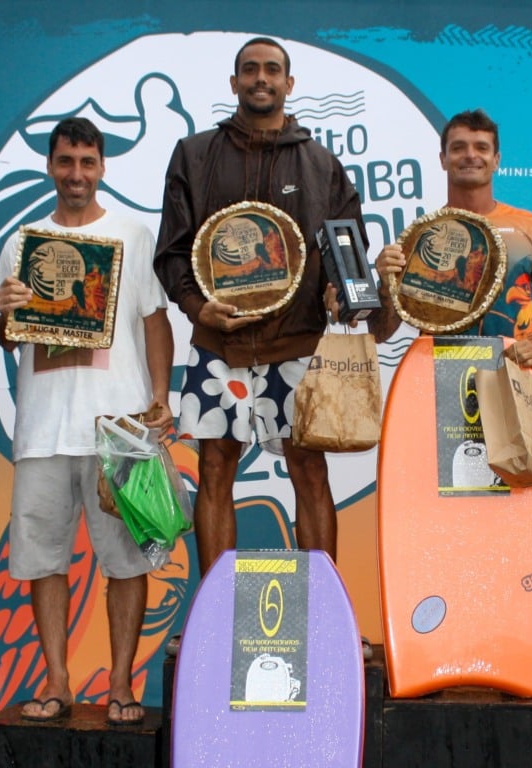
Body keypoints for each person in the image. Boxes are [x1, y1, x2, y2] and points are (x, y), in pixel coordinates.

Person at [153, 36, 366, 576]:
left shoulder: (322, 165)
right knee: (215, 467)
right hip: (218, 342)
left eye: (273, 70)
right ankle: (215, 609)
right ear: (234, 83)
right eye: (250, 69)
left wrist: (347, 295)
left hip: (296, 343)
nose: (261, 78)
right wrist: (200, 309)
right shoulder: (194, 155)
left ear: (289, 84)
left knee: (309, 470)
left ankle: (322, 608)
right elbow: (172, 251)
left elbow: (348, 255)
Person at [0, 117, 173, 727]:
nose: (76, 174)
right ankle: (58, 682)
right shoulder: (23, 242)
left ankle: (121, 685)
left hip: (118, 428)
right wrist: (6, 316)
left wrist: (160, 396)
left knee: (126, 560)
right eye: (65, 162)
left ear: (102, 167)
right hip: (42, 429)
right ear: (50, 166)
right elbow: (6, 335)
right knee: (42, 560)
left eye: (86, 162)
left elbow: (154, 320)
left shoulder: (132, 234)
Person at [371, 108, 532, 366]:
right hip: (439, 372)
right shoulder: (422, 238)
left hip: (512, 370)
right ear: (443, 159)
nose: (471, 155)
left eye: (481, 148)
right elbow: (381, 333)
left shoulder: (530, 227)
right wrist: (385, 283)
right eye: (458, 148)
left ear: (496, 159)